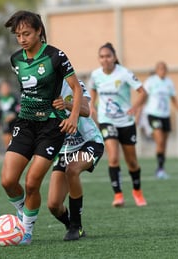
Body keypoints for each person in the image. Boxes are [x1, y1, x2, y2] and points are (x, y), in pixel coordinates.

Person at [0, 10, 83, 245]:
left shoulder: (56, 56)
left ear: (39, 31)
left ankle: (25, 231)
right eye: (18, 35)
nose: (22, 38)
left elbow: (76, 89)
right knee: (7, 181)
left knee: (31, 183)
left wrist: (73, 116)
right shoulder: (16, 60)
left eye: (26, 33)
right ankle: (21, 211)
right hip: (25, 123)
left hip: (51, 126)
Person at [89, 42, 147, 208]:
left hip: (126, 122)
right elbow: (92, 89)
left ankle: (137, 191)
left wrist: (135, 107)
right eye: (101, 56)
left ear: (114, 57)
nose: (105, 59)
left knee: (132, 162)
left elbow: (143, 92)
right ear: (99, 59)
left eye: (108, 56)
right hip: (107, 120)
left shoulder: (124, 73)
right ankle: (118, 195)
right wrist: (92, 104)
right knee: (113, 157)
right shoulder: (95, 75)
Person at [47, 80, 104, 241]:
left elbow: (86, 110)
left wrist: (66, 104)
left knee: (72, 170)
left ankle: (76, 227)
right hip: (64, 151)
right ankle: (71, 224)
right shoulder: (39, 89)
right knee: (53, 205)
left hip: (90, 143)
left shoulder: (73, 84)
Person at [143, 61, 178, 179]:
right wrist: (137, 110)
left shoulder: (169, 83)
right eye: (160, 68)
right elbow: (143, 96)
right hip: (153, 114)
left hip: (165, 115)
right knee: (160, 140)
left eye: (164, 68)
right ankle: (160, 169)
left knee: (164, 144)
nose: (162, 70)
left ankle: (160, 168)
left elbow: (174, 98)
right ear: (156, 70)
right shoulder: (151, 82)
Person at [0, 80, 20, 150]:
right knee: (6, 140)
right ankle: (8, 155)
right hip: (5, 124)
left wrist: (13, 116)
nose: (5, 89)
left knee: (14, 141)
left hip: (15, 123)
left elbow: (19, 109)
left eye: (6, 87)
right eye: (3, 88)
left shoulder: (14, 98)